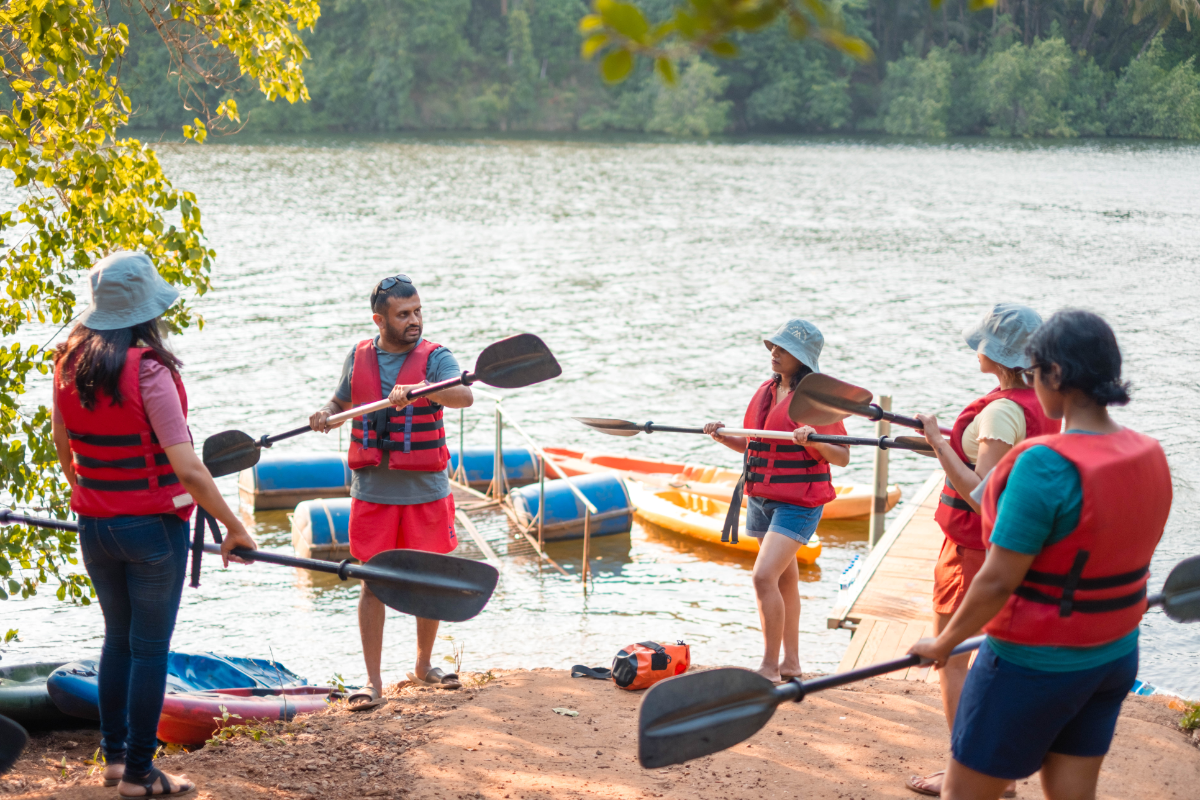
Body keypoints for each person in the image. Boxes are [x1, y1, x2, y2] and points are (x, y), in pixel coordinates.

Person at [909, 309, 1172, 800]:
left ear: (1053, 374)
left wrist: (945, 643)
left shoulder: (1042, 466)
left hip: (1033, 663)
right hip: (1114, 654)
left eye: (1034, 371)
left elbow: (997, 579)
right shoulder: (1150, 452)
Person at [52, 252, 256, 798]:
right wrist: (233, 526)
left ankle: (116, 761)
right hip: (152, 533)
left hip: (95, 528)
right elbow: (188, 469)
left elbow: (64, 448)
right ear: (146, 311)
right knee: (148, 649)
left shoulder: (67, 363)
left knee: (117, 641)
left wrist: (97, 496)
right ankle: (140, 775)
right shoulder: (149, 371)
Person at [906, 303, 1058, 798]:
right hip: (1017, 548)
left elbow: (981, 493)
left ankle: (965, 772)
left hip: (973, 549)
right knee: (999, 660)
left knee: (952, 659)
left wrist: (938, 442)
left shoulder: (1001, 410)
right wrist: (942, 442)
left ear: (1000, 355)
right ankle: (999, 772)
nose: (976, 351)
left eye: (983, 345)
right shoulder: (1042, 404)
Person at [309, 274, 473, 708]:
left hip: (426, 490)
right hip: (373, 492)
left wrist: (421, 391)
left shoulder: (436, 357)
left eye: (418, 311)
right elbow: (340, 402)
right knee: (372, 583)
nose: (414, 320)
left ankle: (423, 665)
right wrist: (325, 413)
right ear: (379, 320)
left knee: (429, 580)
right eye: (403, 314)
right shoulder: (359, 356)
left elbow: (463, 396)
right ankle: (372, 682)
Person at [703, 319, 850, 683]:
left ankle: (769, 667)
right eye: (774, 346)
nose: (775, 352)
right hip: (761, 497)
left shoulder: (816, 400)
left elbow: (843, 456)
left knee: (762, 577)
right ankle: (791, 664)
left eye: (784, 349)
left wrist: (814, 439)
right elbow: (752, 443)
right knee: (784, 581)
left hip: (799, 501)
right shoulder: (766, 391)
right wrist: (721, 436)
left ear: (802, 359)